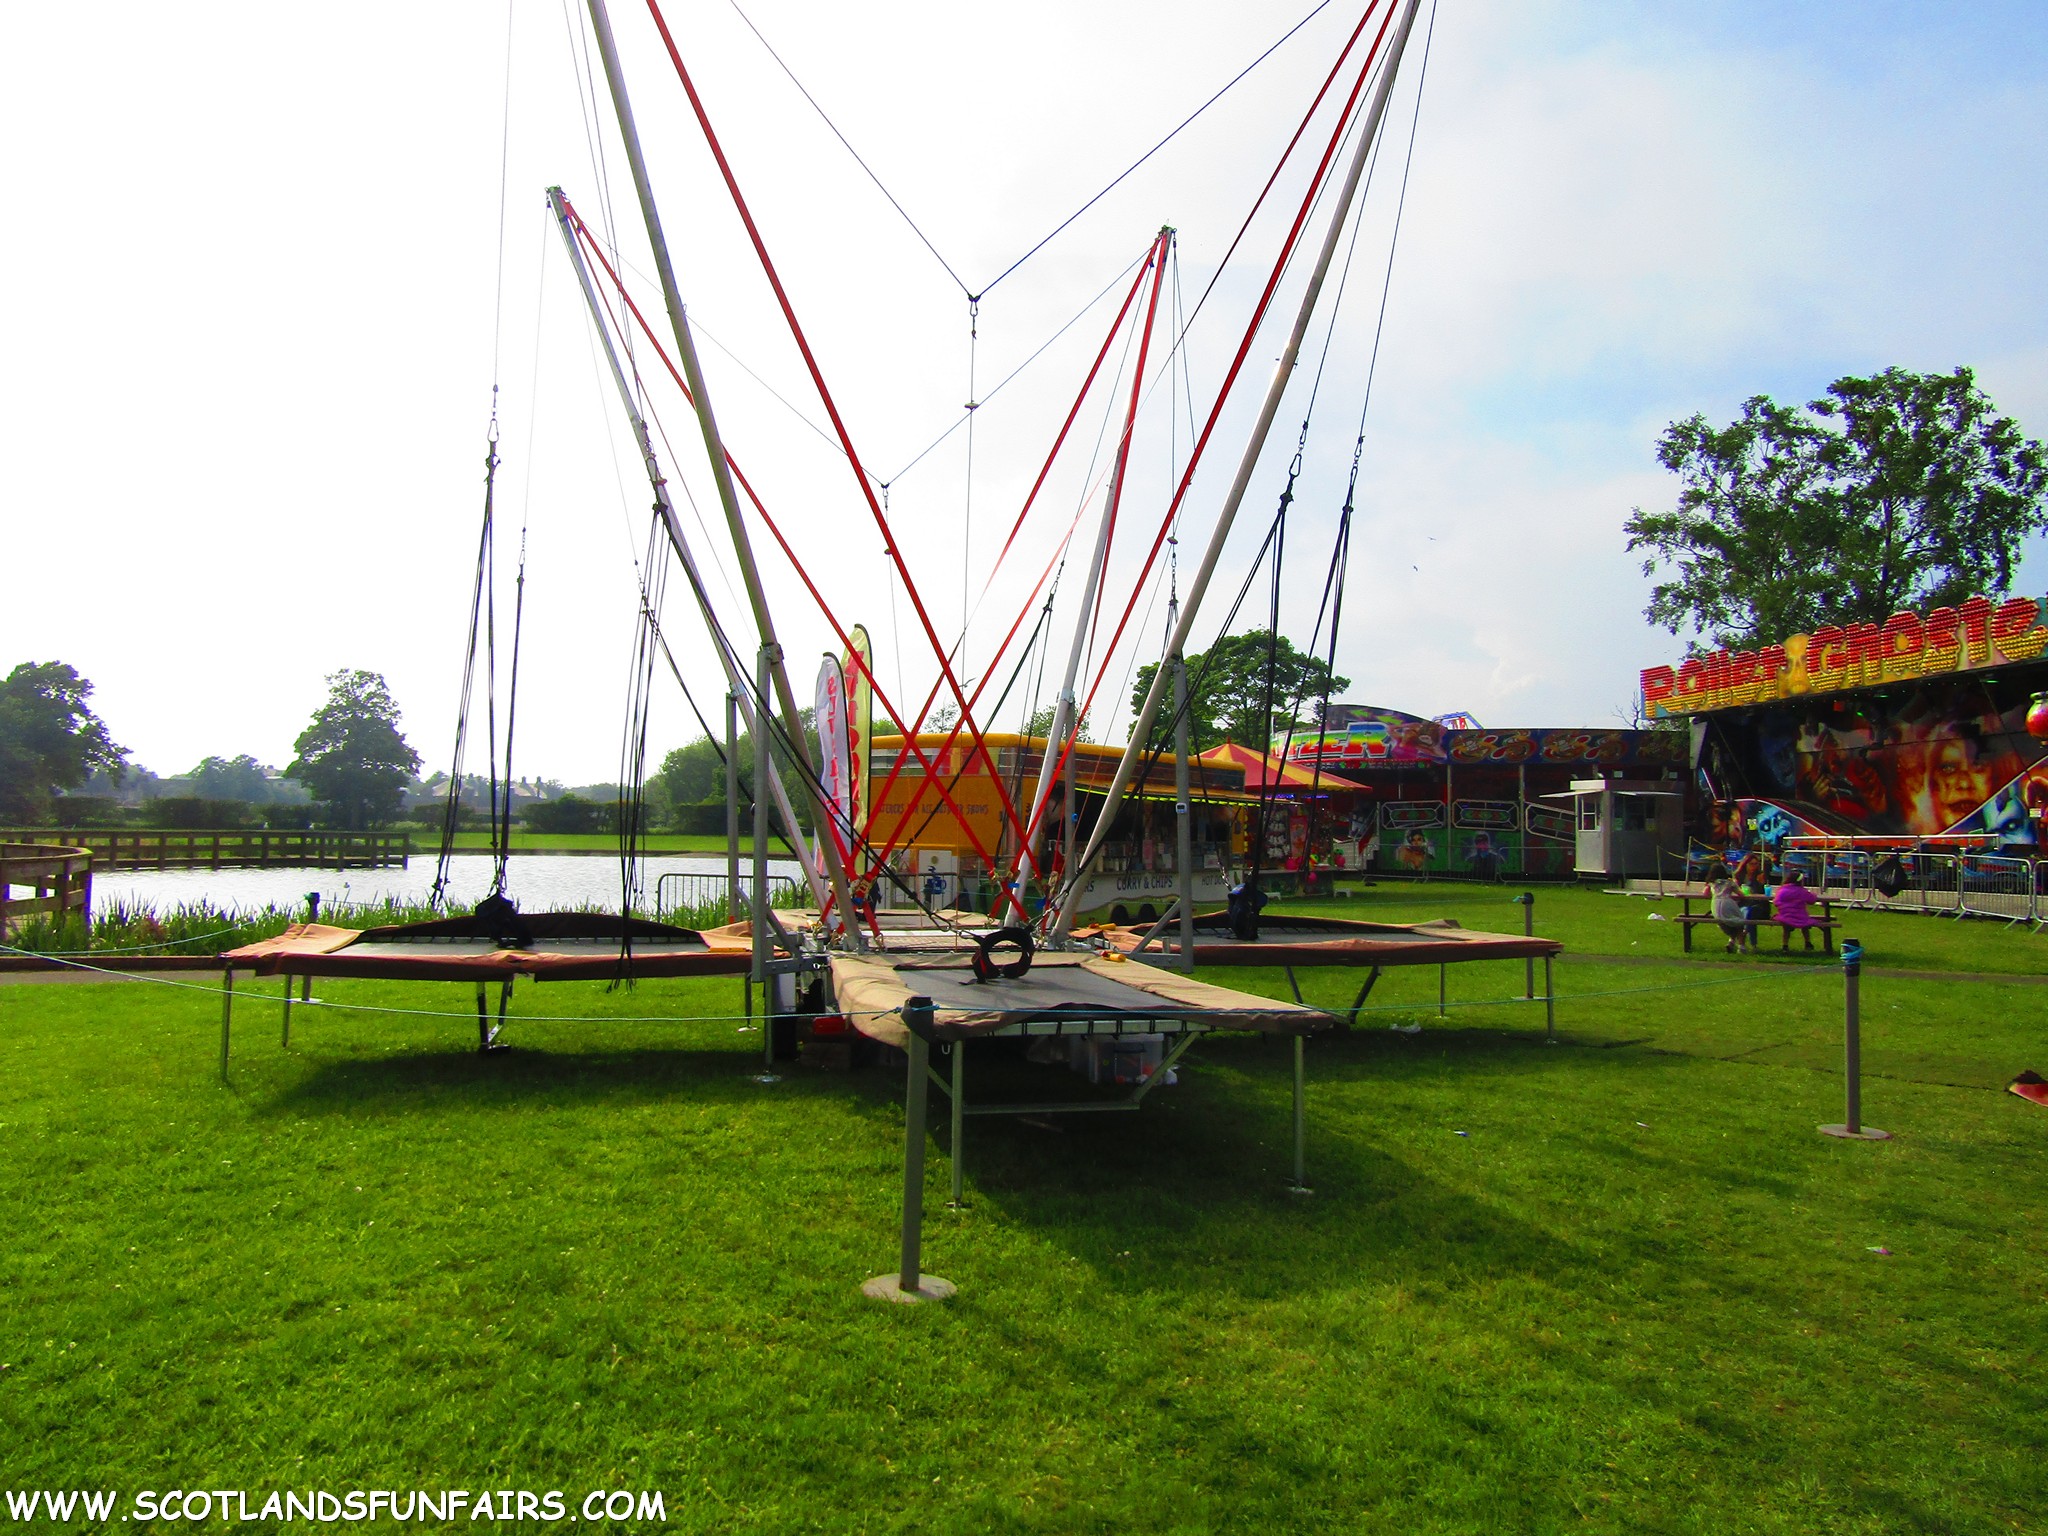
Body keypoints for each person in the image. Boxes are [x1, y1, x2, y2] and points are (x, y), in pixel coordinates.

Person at [1771, 866, 1823, 951]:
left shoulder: (1782, 890)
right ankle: (1807, 942)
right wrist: (1813, 894)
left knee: (1786, 928)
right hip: (1800, 917)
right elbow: (1812, 900)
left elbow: (1776, 902)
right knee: (1805, 925)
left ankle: (1785, 945)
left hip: (1785, 916)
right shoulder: (1802, 891)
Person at [1710, 866, 1751, 952]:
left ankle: (1731, 942)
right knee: (1739, 922)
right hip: (1727, 904)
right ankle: (1741, 946)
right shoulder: (1729, 883)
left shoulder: (1712, 883)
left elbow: (1705, 893)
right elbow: (1741, 895)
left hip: (1715, 905)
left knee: (1728, 922)